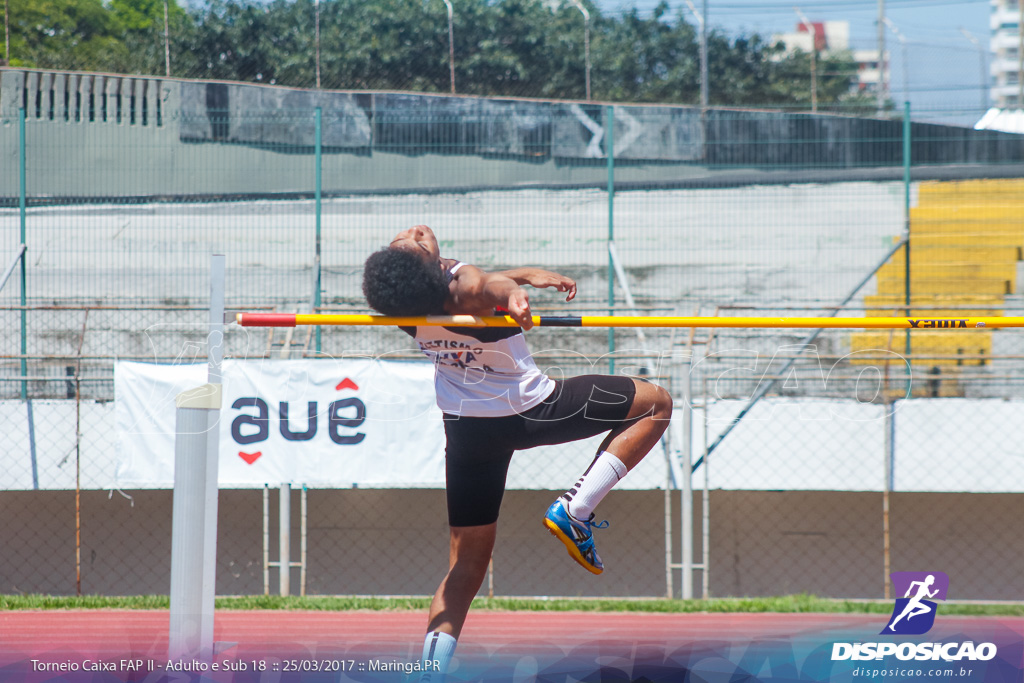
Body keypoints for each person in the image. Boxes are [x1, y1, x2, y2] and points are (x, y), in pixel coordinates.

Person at [362, 225, 672, 679]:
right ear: (430, 268)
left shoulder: (403, 303)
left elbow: (481, 284)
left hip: (468, 433)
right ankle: (576, 509)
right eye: (416, 244)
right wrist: (511, 292)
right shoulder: (462, 288)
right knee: (656, 404)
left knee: (466, 565)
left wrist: (524, 276)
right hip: (533, 411)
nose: (416, 231)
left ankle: (428, 672)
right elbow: (482, 286)